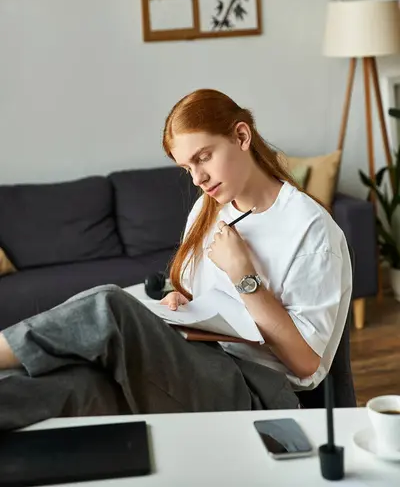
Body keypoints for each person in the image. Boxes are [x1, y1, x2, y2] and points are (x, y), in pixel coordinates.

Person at [0, 89, 352, 431]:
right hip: (198, 364)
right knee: (77, 382)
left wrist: (245, 277)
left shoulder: (310, 229)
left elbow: (306, 364)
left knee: (109, 305)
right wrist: (182, 304)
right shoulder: (207, 209)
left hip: (255, 390)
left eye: (203, 157)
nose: (198, 178)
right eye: (187, 167)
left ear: (242, 136)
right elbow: (202, 300)